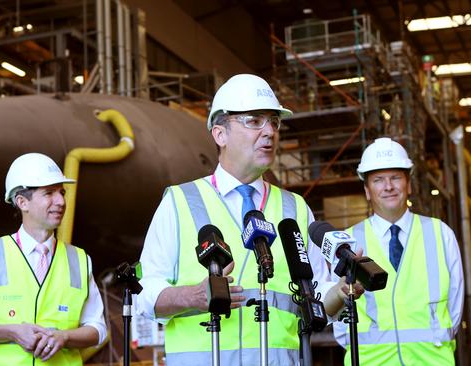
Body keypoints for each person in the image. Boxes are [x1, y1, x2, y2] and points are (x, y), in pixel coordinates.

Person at [136, 74, 358, 365]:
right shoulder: (179, 202)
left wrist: (341, 292)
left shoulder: (295, 208)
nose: (269, 132)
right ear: (220, 134)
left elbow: (317, 299)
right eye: (254, 121)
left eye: (274, 122)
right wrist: (193, 297)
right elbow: (144, 297)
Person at [0, 153, 106, 365]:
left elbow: (98, 329)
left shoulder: (79, 259)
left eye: (62, 193)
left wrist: (65, 337)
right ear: (22, 202)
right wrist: (11, 332)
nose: (60, 201)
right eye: (49, 193)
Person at [333, 137, 463, 365]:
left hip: (431, 360)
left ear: (409, 184)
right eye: (378, 180)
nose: (388, 187)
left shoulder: (440, 234)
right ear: (366, 190)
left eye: (395, 178)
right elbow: (340, 317)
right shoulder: (348, 242)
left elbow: (454, 306)